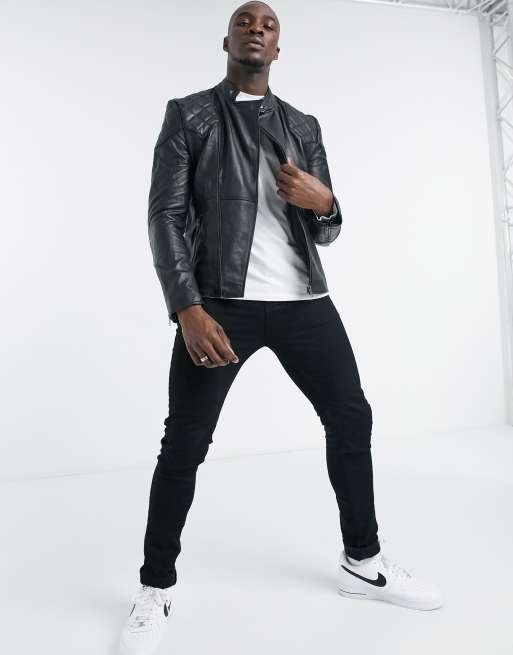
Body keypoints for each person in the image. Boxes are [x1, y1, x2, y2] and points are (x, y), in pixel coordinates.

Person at [119, 2, 443, 652]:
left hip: (303, 300)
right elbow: (165, 215)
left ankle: (362, 560)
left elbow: (325, 230)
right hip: (219, 303)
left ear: (278, 48)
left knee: (350, 417)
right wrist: (186, 306)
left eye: (268, 24)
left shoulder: (302, 125)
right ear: (227, 41)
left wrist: (329, 203)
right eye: (245, 20)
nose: (257, 27)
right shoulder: (190, 115)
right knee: (184, 442)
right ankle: (155, 587)